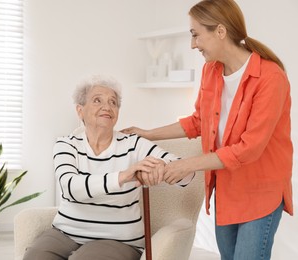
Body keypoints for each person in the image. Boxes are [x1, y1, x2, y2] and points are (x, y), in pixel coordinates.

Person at [122, 0, 293, 259]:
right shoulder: (211, 71)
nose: (193, 44)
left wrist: (186, 165)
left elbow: (249, 149)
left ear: (220, 31)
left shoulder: (270, 78)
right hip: (226, 190)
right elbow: (199, 122)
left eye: (195, 35)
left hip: (261, 192)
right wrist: (147, 133)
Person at [22, 75, 194, 260]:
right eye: (97, 100)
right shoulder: (66, 144)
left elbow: (187, 174)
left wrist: (161, 168)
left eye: (113, 102)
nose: (107, 107)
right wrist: (124, 176)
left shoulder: (133, 144)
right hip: (66, 233)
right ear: (80, 110)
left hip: (118, 239)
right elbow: (71, 187)